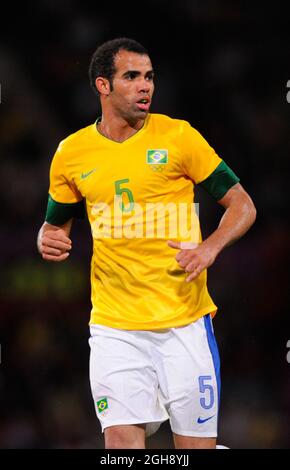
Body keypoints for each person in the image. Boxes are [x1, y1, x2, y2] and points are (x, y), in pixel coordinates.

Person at [37, 37, 256, 449]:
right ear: (103, 85)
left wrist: (210, 247)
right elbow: (55, 225)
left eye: (150, 77)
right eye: (132, 77)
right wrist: (47, 239)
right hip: (114, 328)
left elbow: (242, 205)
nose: (146, 86)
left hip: (184, 324)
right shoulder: (72, 153)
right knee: (121, 445)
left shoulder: (179, 137)